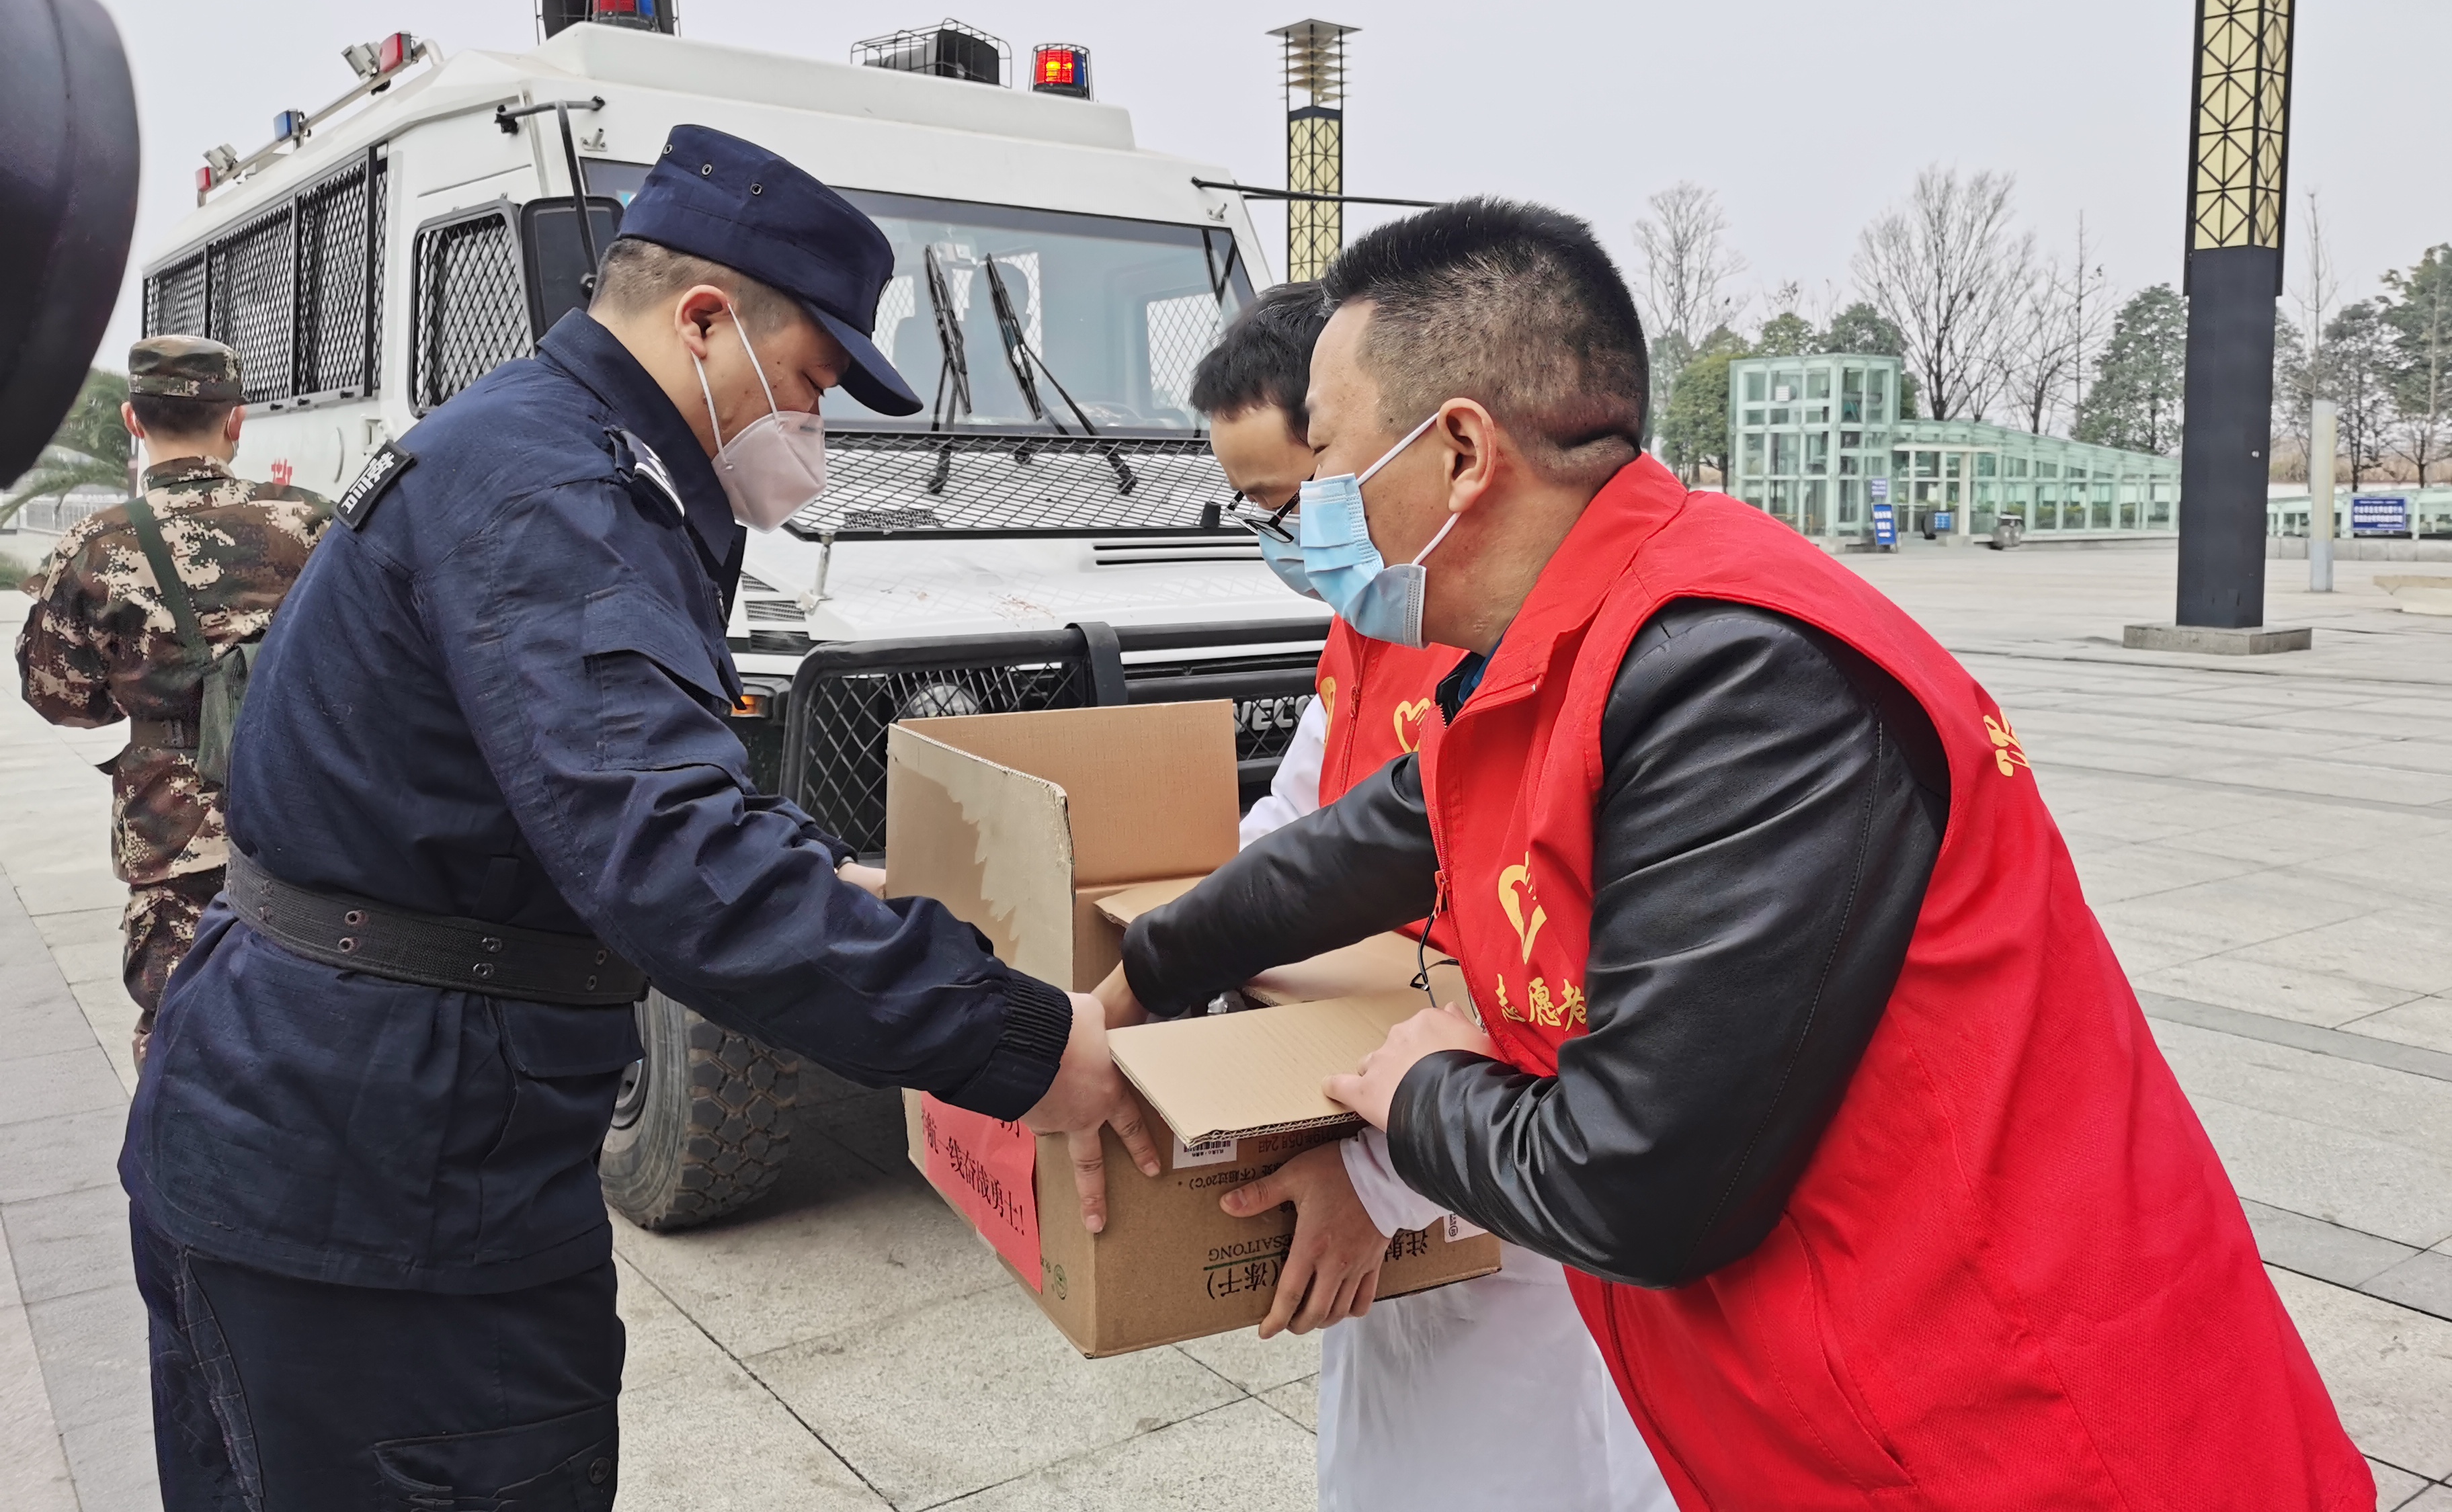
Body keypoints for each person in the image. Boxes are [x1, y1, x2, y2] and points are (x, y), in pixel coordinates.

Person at [1103, 200, 2368, 1510]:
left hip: (2014, 1434)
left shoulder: (1738, 672)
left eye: (1336, 462)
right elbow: (1361, 844)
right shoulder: (1570, 654)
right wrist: (1142, 976)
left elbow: (1635, 1181)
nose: (1318, 510)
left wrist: (1417, 1096)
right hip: (1838, 1421)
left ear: (1462, 450)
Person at [120, 127, 1159, 1511]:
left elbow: (593, 796)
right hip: (374, 1187)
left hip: (358, 1133)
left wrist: (830, 885)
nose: (816, 432)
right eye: (810, 384)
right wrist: (1026, 1043)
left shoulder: (550, 450)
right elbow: (672, 855)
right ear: (709, 323)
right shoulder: (562, 490)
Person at [1187, 287, 1668, 1512]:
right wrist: (1176, 960)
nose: (1290, 541)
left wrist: (1381, 1179)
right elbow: (1298, 830)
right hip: (1382, 1132)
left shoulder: (1543, 654)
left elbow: (1584, 1015)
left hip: (1508, 1212)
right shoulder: (1370, 626)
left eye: (1298, 501)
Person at [15, 335, 333, 1064]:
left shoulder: (95, 544)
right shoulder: (311, 524)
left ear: (133, 420)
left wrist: (149, 701)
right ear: (236, 422)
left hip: (171, 827)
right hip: (310, 807)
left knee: (180, 1018)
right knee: (316, 1008)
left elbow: (57, 696)